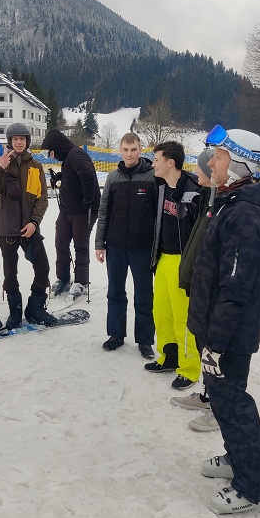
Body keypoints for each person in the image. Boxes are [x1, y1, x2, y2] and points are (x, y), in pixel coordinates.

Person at [187, 126, 260, 515]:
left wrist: (215, 342)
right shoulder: (232, 202)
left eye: (219, 157)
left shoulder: (245, 213)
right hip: (217, 329)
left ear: (240, 164)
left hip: (226, 334)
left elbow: (235, 287)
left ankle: (254, 487)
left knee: (233, 404)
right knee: (225, 403)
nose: (211, 162)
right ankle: (236, 458)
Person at [0, 122, 58, 328]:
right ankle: (15, 313)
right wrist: (0, 168)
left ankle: (35, 309)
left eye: (22, 139)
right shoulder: (2, 164)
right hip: (7, 229)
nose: (19, 142)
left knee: (42, 267)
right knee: (10, 273)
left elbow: (42, 198)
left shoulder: (35, 166)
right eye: (15, 139)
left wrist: (34, 222)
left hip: (29, 227)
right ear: (10, 142)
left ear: (27, 142)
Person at [94, 133, 157, 358]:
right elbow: (104, 212)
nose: (129, 154)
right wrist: (100, 243)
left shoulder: (152, 177)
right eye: (125, 150)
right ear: (119, 151)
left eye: (134, 150)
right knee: (115, 292)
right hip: (116, 246)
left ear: (141, 150)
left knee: (144, 294)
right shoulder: (113, 178)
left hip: (142, 247)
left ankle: (145, 340)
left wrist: (156, 246)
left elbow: (158, 215)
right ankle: (116, 334)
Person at [171, 148, 220, 429]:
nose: (197, 171)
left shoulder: (221, 204)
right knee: (203, 345)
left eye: (201, 167)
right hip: (198, 287)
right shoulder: (207, 199)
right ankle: (207, 394)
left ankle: (218, 407)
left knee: (214, 352)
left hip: (212, 292)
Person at [147, 141, 201, 389]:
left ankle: (189, 369)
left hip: (183, 260)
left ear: (171, 162)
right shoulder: (160, 186)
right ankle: (168, 356)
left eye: (156, 159)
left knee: (183, 317)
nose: (153, 163)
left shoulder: (194, 189)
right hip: (163, 258)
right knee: (162, 313)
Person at [39, 128, 101, 299]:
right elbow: (74, 174)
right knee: (61, 242)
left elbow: (87, 175)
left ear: (57, 147)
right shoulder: (68, 157)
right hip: (67, 209)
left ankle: (81, 282)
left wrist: (88, 199)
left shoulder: (76, 155)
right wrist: (60, 176)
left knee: (80, 245)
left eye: (51, 152)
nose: (51, 156)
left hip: (83, 210)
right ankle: (64, 278)